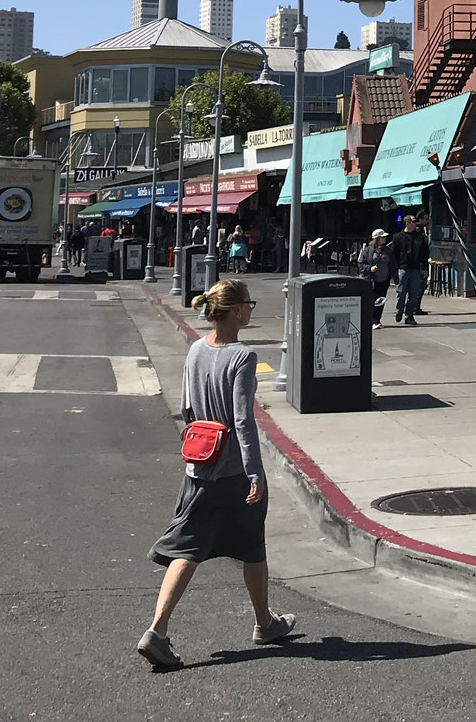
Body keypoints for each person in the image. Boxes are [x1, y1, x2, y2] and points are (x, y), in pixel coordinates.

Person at [138, 279, 295, 671]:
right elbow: (243, 420)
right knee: (193, 548)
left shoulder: (196, 348)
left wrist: (197, 453)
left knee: (249, 543)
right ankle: (157, 631)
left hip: (200, 462)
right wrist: (254, 472)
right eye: (249, 304)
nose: (251, 310)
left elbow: (187, 408)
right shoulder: (242, 356)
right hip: (231, 471)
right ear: (237, 311)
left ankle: (265, 622)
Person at [389, 215, 428, 327]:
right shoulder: (398, 237)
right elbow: (394, 255)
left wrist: (425, 268)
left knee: (413, 293)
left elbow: (424, 253)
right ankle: (399, 311)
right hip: (402, 268)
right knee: (401, 292)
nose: (416, 224)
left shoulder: (419, 237)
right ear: (407, 223)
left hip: (415, 268)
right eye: (414, 221)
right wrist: (394, 269)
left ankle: (409, 316)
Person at [357, 229, 392, 326]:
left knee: (381, 300)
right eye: (383, 237)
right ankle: (371, 319)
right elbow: (360, 264)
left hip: (384, 279)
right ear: (377, 238)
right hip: (372, 279)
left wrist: (395, 278)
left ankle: (377, 319)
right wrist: (369, 268)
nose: (385, 239)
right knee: (372, 300)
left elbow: (392, 264)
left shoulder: (387, 250)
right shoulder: (368, 250)